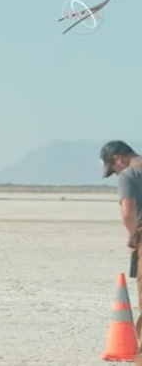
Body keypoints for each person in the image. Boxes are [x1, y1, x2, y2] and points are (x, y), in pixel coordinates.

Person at [101, 140, 142, 362]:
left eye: (113, 169)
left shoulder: (129, 175)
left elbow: (128, 209)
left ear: (118, 158)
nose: (116, 174)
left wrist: (132, 236)